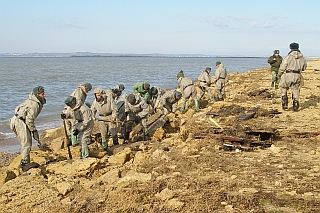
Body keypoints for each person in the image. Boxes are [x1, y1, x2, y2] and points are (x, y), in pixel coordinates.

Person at [9, 86, 46, 168]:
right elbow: (29, 120)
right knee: (26, 143)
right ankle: (24, 163)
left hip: (14, 120)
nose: (44, 96)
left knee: (25, 143)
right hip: (20, 122)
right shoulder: (35, 104)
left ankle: (25, 160)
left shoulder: (30, 100)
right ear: (37, 95)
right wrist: (34, 131)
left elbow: (17, 109)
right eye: (42, 94)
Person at [278, 42, 307, 112]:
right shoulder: (302, 58)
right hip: (297, 75)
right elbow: (304, 67)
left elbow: (283, 67)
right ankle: (296, 104)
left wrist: (279, 74)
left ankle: (284, 101)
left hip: (288, 74)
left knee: (283, 87)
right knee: (296, 89)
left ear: (290, 48)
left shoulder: (288, 57)